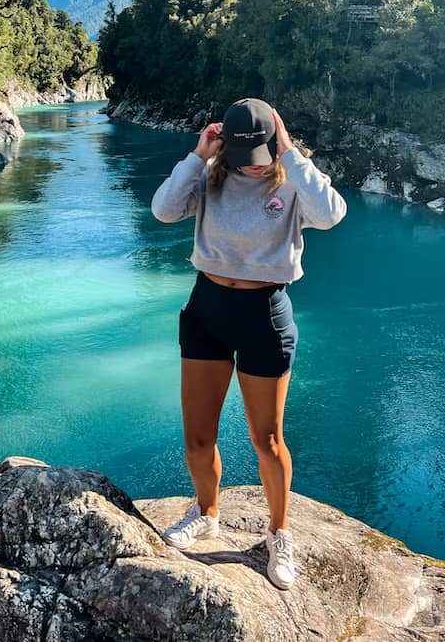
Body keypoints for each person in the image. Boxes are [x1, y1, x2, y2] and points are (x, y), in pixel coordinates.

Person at [150, 97, 347, 590]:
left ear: (273, 143)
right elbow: (163, 210)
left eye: (259, 154)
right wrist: (198, 156)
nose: (250, 167)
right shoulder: (211, 176)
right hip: (207, 312)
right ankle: (207, 513)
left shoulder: (292, 180)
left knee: (268, 438)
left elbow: (332, 215)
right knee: (197, 437)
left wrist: (291, 153)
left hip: (265, 316)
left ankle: (279, 534)